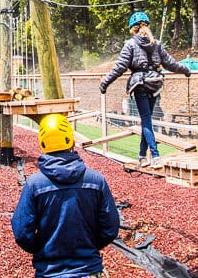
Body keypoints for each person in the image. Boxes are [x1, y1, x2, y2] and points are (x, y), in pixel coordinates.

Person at [11, 114, 120, 278]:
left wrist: (43, 248)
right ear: (72, 140)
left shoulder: (34, 185)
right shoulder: (96, 181)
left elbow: (21, 233)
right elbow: (110, 228)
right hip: (89, 269)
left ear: (42, 143)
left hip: (49, 272)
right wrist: (88, 247)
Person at [98, 11, 190, 168]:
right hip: (155, 84)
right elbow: (171, 63)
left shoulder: (130, 45)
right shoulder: (156, 43)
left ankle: (155, 156)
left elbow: (120, 67)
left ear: (132, 29)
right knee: (146, 120)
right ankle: (142, 156)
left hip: (140, 85)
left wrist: (105, 83)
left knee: (146, 120)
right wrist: (185, 70)